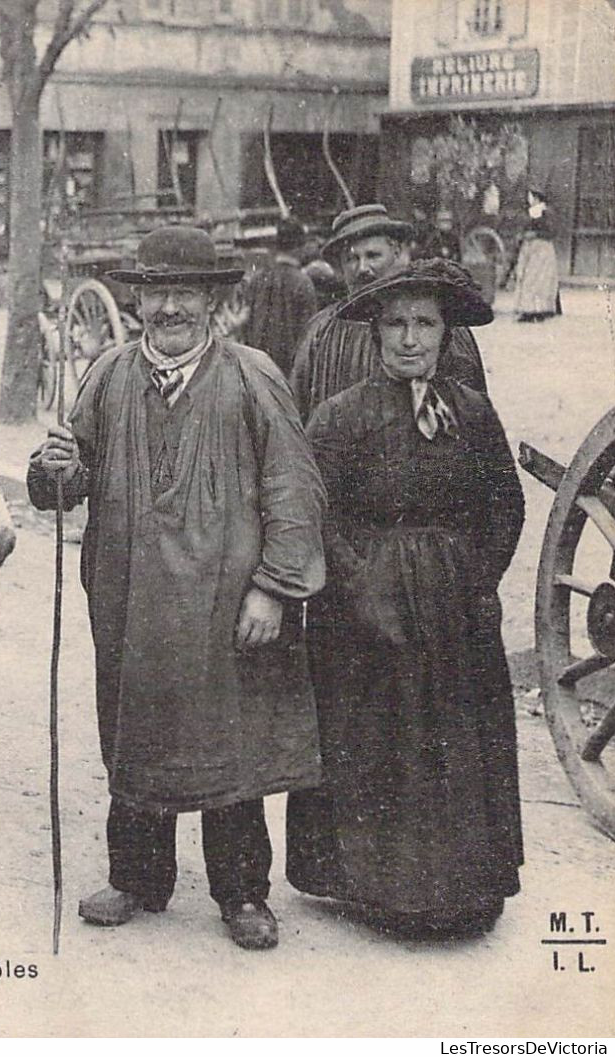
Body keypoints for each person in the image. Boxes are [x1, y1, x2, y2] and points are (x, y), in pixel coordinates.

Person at [25, 226, 326, 952]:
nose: (167, 308)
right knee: (136, 729)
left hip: (228, 607)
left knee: (231, 742)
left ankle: (242, 891)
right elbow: (63, 483)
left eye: (183, 293)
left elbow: (294, 488)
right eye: (155, 293)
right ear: (136, 303)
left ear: (212, 302)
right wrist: (55, 465)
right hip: (130, 600)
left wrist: (274, 589)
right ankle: (136, 876)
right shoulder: (106, 375)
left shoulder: (252, 376)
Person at [285, 259, 525, 937]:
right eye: (395, 323)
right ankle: (379, 891)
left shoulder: (471, 414)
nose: (409, 338)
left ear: (446, 332)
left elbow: (503, 505)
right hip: (365, 610)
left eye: (424, 322)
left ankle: (462, 889)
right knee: (377, 740)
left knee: (452, 740)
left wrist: (476, 581)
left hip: (452, 608)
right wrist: (361, 588)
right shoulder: (340, 417)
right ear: (375, 333)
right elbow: (315, 512)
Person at [289, 204, 488, 424]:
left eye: (373, 255)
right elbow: (297, 410)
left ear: (396, 253)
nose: (363, 268)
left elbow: (472, 413)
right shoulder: (320, 330)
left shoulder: (440, 323)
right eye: (352, 259)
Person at [238, 218, 318, 374]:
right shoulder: (303, 283)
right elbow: (310, 337)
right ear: (299, 247)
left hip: (256, 370)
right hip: (290, 374)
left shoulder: (258, 279)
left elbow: (245, 327)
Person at [513, 188, 561, 323]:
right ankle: (528, 309)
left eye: (531, 196)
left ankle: (538, 310)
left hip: (542, 248)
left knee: (539, 279)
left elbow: (552, 231)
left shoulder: (546, 212)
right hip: (530, 248)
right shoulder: (530, 213)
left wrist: (536, 234)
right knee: (527, 277)